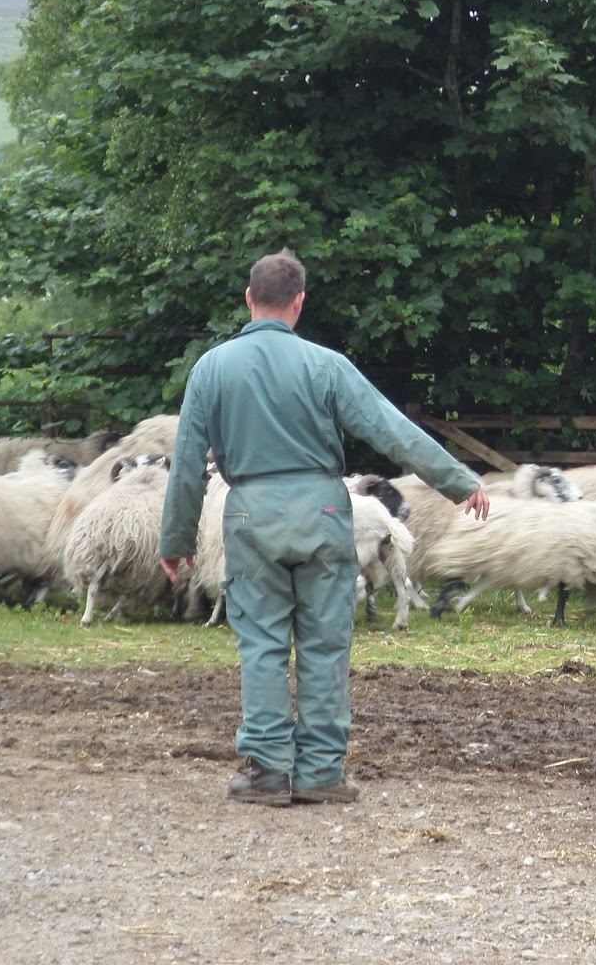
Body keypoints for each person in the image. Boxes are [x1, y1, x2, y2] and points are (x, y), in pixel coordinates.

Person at [159, 251, 490, 808]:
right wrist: (458, 482)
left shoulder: (211, 368)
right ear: (299, 302)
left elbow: (188, 461)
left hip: (249, 514)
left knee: (262, 646)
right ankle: (321, 772)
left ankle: (266, 773)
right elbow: (394, 432)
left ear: (248, 298)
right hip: (324, 513)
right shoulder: (327, 365)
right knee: (326, 644)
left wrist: (176, 542)